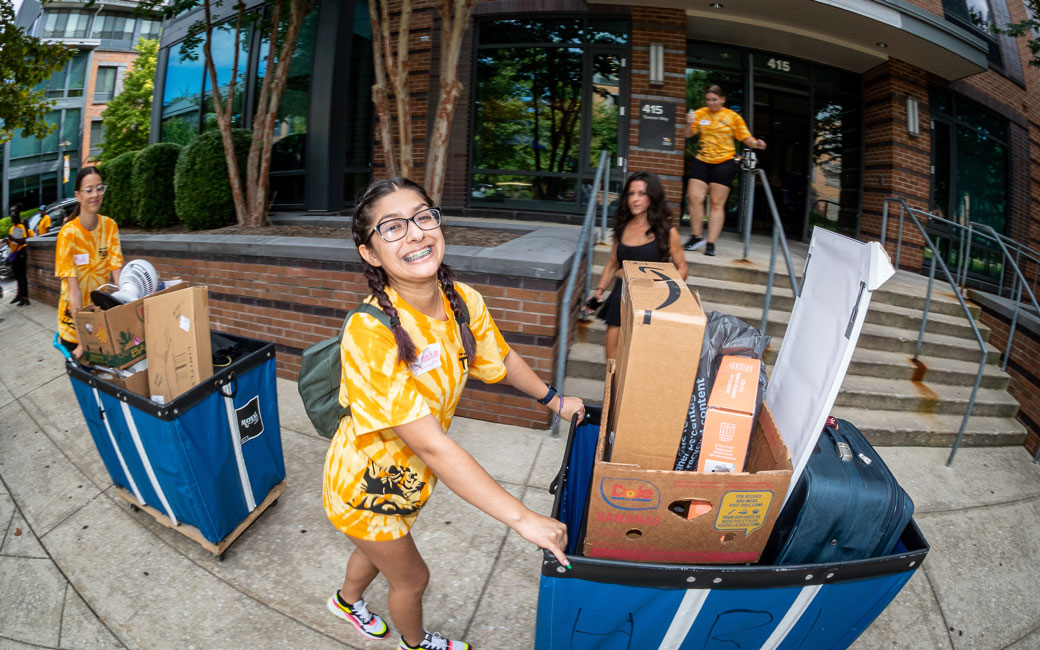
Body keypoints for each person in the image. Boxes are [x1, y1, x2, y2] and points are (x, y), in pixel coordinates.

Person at [324, 177, 584, 650]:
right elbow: (430, 443)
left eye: (423, 217)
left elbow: (500, 359)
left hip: (409, 480)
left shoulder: (461, 300)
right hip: (365, 487)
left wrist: (554, 401)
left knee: (380, 551)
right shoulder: (370, 332)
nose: (417, 233)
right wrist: (522, 518)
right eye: (393, 227)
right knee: (413, 579)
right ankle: (417, 643)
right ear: (369, 253)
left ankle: (346, 600)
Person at [588, 171, 688, 362]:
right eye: (631, 194)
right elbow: (612, 265)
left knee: (641, 364)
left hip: (651, 305)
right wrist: (598, 292)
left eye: (641, 194)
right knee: (613, 364)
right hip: (620, 298)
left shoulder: (667, 232)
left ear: (652, 197)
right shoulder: (622, 228)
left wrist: (660, 290)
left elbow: (682, 269)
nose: (635, 199)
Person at [682, 84, 766, 256]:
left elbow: (746, 138)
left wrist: (757, 144)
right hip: (702, 160)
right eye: (708, 100)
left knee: (716, 203)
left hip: (724, 162)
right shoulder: (699, 114)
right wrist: (689, 124)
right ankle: (696, 237)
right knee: (694, 198)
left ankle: (711, 243)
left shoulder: (732, 117)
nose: (711, 103)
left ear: (722, 99)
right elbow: (687, 134)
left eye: (714, 100)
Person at [55, 166, 123, 359]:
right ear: (78, 195)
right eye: (89, 190)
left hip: (100, 320)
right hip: (74, 326)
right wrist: (83, 341)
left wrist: (126, 309)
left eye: (99, 188)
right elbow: (73, 292)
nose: (95, 194)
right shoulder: (68, 234)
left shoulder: (110, 226)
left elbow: (117, 275)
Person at [7, 212, 30, 306]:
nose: (11, 219)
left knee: (22, 277)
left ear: (16, 218)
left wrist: (13, 239)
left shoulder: (21, 227)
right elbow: (11, 243)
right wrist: (8, 241)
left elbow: (23, 241)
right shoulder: (12, 228)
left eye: (12, 218)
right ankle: (20, 296)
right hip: (14, 254)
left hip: (20, 253)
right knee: (17, 277)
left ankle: (25, 299)